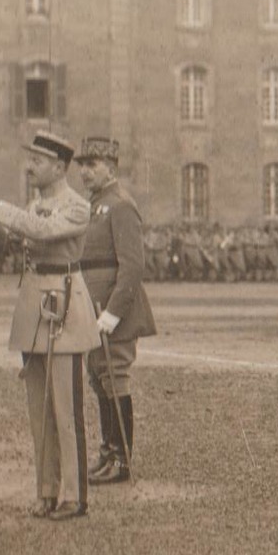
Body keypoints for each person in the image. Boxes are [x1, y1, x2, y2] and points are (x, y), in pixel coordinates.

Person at [0, 131, 97, 520]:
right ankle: (46, 489)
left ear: (59, 167)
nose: (31, 167)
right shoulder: (34, 204)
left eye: (38, 161)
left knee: (65, 408)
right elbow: (23, 232)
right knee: (37, 408)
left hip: (65, 303)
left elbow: (41, 231)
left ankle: (73, 494)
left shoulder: (76, 206)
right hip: (34, 304)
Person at [74, 136, 157, 486]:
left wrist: (112, 312)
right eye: (82, 165)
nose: (84, 172)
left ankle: (121, 459)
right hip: (93, 307)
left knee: (115, 376)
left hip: (112, 311)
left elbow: (133, 266)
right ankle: (108, 451)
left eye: (91, 165)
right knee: (99, 377)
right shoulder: (95, 205)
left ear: (111, 167)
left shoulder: (121, 205)